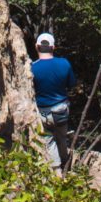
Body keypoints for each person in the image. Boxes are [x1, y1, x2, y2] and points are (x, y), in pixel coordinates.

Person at [30, 32, 78, 174]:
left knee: (49, 141)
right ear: (53, 47)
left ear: (36, 47)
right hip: (61, 110)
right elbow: (72, 84)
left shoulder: (32, 67)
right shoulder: (64, 63)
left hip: (44, 112)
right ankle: (66, 162)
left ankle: (56, 171)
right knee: (62, 138)